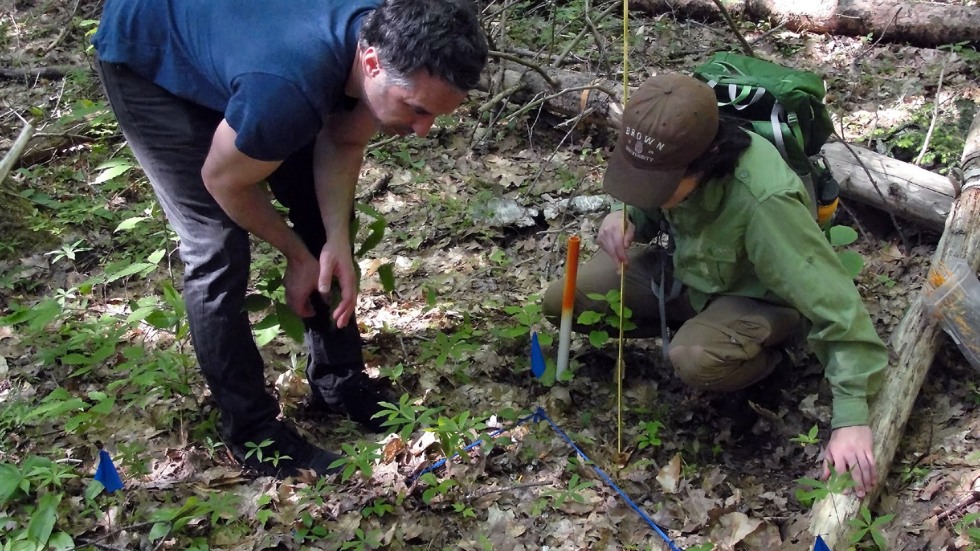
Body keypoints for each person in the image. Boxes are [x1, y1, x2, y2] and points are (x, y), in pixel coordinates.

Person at [91, 0, 488, 478]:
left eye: (435, 117)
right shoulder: (289, 89)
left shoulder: (382, 39)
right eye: (417, 110)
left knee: (319, 213)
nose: (423, 131)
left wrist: (335, 241)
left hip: (248, 48)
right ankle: (254, 433)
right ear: (371, 64)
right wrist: (296, 256)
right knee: (216, 246)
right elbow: (222, 179)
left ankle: (338, 380)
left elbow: (343, 140)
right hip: (150, 47)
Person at [543, 74, 887, 497]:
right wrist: (624, 215)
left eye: (660, 186)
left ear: (704, 165)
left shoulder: (763, 200)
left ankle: (770, 364)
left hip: (756, 299)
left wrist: (851, 418)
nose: (651, 191)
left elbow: (838, 305)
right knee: (566, 298)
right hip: (689, 277)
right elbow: (647, 197)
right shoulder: (672, 149)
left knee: (694, 357)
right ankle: (701, 332)